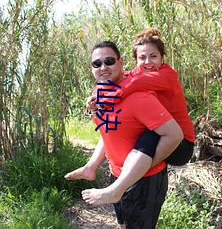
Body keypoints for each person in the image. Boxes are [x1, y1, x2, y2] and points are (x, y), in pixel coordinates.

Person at [65, 28, 195, 207]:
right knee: (120, 124)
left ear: (162, 57)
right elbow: (122, 76)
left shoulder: (166, 76)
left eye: (153, 56)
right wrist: (95, 99)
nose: (148, 62)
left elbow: (132, 83)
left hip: (181, 144)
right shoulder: (137, 73)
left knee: (149, 136)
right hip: (161, 130)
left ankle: (117, 189)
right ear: (135, 60)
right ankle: (91, 167)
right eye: (142, 58)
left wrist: (108, 97)